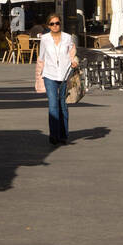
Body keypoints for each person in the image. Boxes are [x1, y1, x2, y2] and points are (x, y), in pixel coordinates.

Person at [34, 13, 79, 146]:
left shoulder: (67, 38)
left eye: (57, 23)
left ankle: (64, 135)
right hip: (49, 75)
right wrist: (38, 78)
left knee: (63, 106)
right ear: (48, 25)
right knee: (53, 105)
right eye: (52, 24)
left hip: (65, 74)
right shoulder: (45, 39)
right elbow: (41, 58)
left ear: (60, 24)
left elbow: (73, 54)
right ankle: (54, 135)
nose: (55, 26)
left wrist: (74, 61)